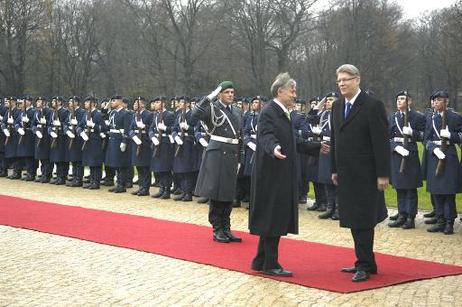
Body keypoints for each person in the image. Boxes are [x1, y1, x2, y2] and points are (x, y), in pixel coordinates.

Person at [249, 73, 325, 277]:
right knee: (273, 216)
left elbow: (294, 142)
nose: (295, 95)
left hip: (281, 173)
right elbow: (266, 136)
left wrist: (317, 147)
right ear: (279, 91)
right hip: (272, 174)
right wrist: (273, 148)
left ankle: (260, 259)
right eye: (292, 90)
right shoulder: (269, 112)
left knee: (273, 215)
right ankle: (271, 264)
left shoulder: (284, 113)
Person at [330, 64, 390, 282]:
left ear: (357, 80)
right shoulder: (337, 106)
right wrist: (334, 168)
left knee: (363, 220)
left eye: (346, 79)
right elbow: (335, 139)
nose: (342, 84)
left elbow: (381, 142)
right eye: (339, 81)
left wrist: (383, 174)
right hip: (346, 174)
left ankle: (364, 264)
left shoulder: (372, 105)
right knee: (354, 220)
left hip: (366, 174)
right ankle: (366, 261)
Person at [192, 81, 243, 243]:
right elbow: (195, 114)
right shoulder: (212, 108)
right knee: (217, 191)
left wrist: (240, 157)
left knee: (228, 192)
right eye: (226, 92)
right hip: (217, 151)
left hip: (232, 152)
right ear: (219, 94)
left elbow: (239, 136)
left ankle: (226, 228)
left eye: (232, 92)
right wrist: (208, 98)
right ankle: (217, 228)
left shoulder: (237, 110)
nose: (230, 95)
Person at [423, 90, 462, 235]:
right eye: (435, 100)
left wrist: (450, 136)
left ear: (446, 102)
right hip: (434, 156)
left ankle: (449, 222)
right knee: (436, 191)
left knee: (448, 192)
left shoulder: (455, 117)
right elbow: (426, 139)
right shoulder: (430, 118)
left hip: (449, 156)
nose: (436, 102)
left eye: (439, 100)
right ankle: (440, 221)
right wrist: (433, 149)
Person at [388, 90, 425, 229]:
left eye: (402, 98)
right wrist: (395, 147)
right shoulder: (393, 117)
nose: (399, 101)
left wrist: (412, 133)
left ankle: (410, 217)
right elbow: (387, 136)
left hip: (410, 154)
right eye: (398, 99)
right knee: (399, 187)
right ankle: (402, 214)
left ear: (409, 101)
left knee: (410, 188)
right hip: (397, 154)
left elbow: (423, 136)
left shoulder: (417, 116)